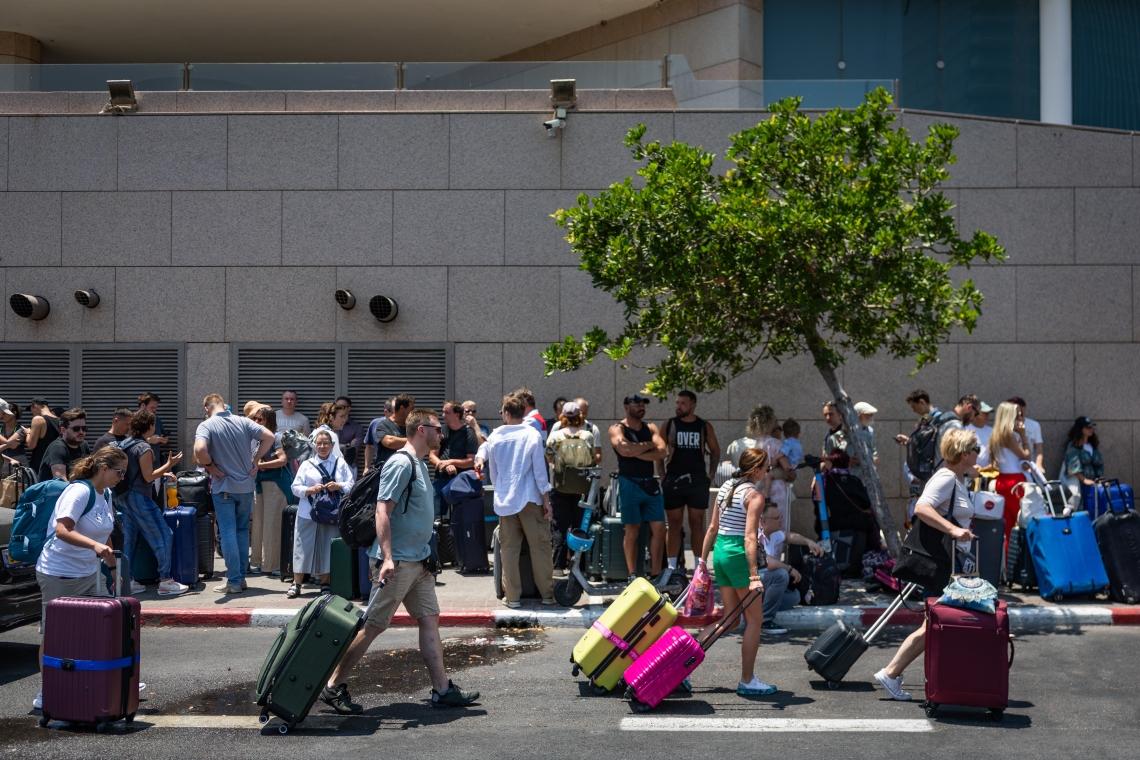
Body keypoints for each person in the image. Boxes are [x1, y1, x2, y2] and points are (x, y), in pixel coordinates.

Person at [323, 408, 479, 714]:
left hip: (419, 562)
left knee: (429, 620)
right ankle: (332, 686)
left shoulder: (420, 464)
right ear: (422, 430)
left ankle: (443, 690)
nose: (441, 433)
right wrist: (388, 558)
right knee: (372, 626)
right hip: (398, 563)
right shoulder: (401, 463)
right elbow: (382, 510)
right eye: (437, 428)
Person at [874, 429, 978, 701]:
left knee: (934, 624)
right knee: (933, 624)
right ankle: (892, 673)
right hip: (942, 563)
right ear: (964, 453)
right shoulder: (945, 478)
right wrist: (953, 531)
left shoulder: (956, 478)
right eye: (975, 449)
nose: (979, 454)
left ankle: (907, 675)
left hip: (954, 564)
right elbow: (922, 507)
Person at [32, 446, 125, 711]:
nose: (122, 477)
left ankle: (107, 677)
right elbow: (62, 530)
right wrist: (94, 548)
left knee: (107, 627)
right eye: (119, 471)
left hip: (89, 574)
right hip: (58, 572)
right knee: (55, 636)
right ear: (104, 468)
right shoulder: (78, 491)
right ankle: (47, 690)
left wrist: (112, 571)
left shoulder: (105, 493)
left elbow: (104, 534)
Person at [699, 447, 776, 695]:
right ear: (756, 470)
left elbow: (711, 528)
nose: (768, 471)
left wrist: (702, 563)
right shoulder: (754, 496)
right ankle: (747, 680)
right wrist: (754, 575)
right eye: (767, 467)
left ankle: (682, 664)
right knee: (755, 620)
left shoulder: (725, 487)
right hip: (737, 556)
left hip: (720, 553)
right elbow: (750, 537)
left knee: (730, 620)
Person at [476, 395, 554, 607]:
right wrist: (546, 499)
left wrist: (479, 461)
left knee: (508, 550)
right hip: (530, 498)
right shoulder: (532, 434)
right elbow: (540, 471)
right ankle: (547, 595)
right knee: (540, 548)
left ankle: (512, 597)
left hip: (505, 501)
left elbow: (483, 449)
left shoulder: (496, 435)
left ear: (507, 414)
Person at [194, 393, 275, 594]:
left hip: (223, 487)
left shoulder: (207, 425)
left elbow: (199, 449)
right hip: (246, 486)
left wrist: (210, 466)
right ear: (223, 405)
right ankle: (240, 579)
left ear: (207, 408)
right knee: (240, 531)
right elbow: (270, 437)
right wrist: (256, 460)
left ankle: (233, 581)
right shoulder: (242, 421)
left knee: (228, 532)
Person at [120, 410, 188, 596]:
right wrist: (169, 464)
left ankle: (127, 581)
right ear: (150, 426)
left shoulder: (126, 443)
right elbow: (148, 476)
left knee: (130, 540)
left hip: (124, 497)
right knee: (164, 534)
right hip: (140, 497)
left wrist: (162, 472)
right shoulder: (144, 448)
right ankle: (165, 581)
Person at [657, 390, 721, 581]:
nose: (678, 407)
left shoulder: (704, 426)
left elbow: (715, 451)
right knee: (674, 524)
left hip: (697, 481)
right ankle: (671, 568)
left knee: (697, 524)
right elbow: (659, 452)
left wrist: (710, 475)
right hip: (674, 480)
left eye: (683, 403)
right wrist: (662, 476)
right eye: (677, 403)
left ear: (693, 405)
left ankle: (699, 568)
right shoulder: (669, 425)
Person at [287, 429, 355, 598]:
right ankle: (297, 583)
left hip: (331, 513)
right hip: (307, 512)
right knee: (302, 546)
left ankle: (325, 582)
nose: (322, 446)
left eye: (326, 443)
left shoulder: (340, 463)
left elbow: (352, 485)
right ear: (314, 445)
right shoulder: (307, 464)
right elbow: (295, 488)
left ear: (332, 445)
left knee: (327, 547)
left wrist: (338, 486)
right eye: (319, 443)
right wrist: (310, 490)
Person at [610, 393, 667, 584]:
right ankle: (633, 574)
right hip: (629, 484)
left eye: (643, 403)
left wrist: (636, 450)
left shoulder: (650, 427)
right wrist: (648, 447)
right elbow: (624, 450)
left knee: (659, 529)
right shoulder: (617, 428)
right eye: (637, 404)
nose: (641, 406)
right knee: (632, 529)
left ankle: (656, 574)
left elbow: (661, 452)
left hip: (650, 484)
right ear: (627, 407)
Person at [758, 501, 824, 634]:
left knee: (795, 596)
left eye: (780, 516)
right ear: (763, 521)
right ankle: (764, 621)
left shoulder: (773, 533)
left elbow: (789, 536)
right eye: (776, 518)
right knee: (781, 575)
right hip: (751, 582)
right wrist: (789, 569)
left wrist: (808, 542)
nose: (780, 521)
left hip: (765, 586)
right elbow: (768, 562)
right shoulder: (754, 535)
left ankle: (757, 608)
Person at [545, 400, 595, 575]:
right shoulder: (587, 436)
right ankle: (579, 567)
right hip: (582, 488)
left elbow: (549, 457)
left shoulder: (556, 437)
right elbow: (592, 458)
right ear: (580, 416)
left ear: (562, 417)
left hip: (560, 486)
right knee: (580, 526)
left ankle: (558, 567)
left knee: (559, 526)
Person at [979, 401, 1031, 547]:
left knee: (1007, 529)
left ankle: (1007, 566)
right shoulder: (1008, 434)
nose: (1019, 419)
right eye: (1016, 415)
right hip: (1015, 482)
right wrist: (1023, 435)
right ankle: (1019, 565)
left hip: (1002, 480)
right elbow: (1026, 456)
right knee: (1021, 523)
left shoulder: (995, 434)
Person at [250, 405, 290, 577]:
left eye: (260, 419)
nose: (257, 422)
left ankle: (274, 565)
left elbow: (282, 460)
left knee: (273, 525)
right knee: (259, 524)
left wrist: (259, 465)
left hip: (276, 484)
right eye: (255, 419)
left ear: (269, 420)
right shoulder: (259, 438)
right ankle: (258, 562)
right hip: (260, 484)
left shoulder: (277, 436)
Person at [429, 401, 479, 519]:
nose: (443, 415)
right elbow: (432, 456)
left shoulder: (468, 432)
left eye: (447, 412)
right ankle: (438, 537)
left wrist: (451, 462)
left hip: (461, 481)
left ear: (457, 415)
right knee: (436, 516)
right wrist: (445, 465)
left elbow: (471, 461)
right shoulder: (440, 431)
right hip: (441, 479)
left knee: (462, 516)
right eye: (443, 412)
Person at [38, 409, 91, 482]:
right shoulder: (58, 448)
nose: (81, 432)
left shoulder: (84, 445)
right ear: (63, 430)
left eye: (84, 428)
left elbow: (91, 474)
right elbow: (61, 482)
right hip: (55, 492)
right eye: (76, 429)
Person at [364, 394, 413, 472]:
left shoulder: (411, 426)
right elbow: (389, 442)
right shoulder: (383, 424)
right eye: (411, 409)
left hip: (407, 471)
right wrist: (413, 440)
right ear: (402, 408)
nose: (412, 412)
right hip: (386, 471)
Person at [1061, 417, 1104, 505]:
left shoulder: (1092, 445)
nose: (1090, 430)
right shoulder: (1073, 445)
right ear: (1080, 429)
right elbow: (1073, 463)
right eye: (1087, 428)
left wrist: (1100, 478)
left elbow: (1099, 464)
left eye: (1091, 427)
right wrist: (1083, 479)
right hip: (1079, 483)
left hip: (1092, 483)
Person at [549, 397, 603, 465]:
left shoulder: (591, 429)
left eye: (585, 412)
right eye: (580, 412)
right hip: (562, 472)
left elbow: (598, 455)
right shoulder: (558, 426)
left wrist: (585, 464)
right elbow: (549, 453)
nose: (582, 415)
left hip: (584, 472)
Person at [25, 397, 61, 476]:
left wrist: (28, 433)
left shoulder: (38, 419)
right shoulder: (59, 420)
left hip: (41, 465)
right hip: (56, 464)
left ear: (35, 406)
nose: (33, 414)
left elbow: (31, 445)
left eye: (32, 411)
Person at [1008, 396, 1044, 471]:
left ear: (1023, 409)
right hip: (1012, 467)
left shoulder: (1034, 425)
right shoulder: (1005, 428)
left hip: (1030, 467)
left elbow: (1039, 448)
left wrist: (1038, 464)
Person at [335, 396, 365, 473]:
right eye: (337, 406)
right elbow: (326, 448)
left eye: (342, 406)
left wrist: (335, 445)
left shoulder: (357, 428)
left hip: (350, 466)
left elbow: (354, 449)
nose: (339, 409)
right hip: (332, 465)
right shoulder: (330, 426)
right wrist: (347, 445)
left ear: (349, 408)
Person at [0, 400, 28, 467]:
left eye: (5, 413)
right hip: (3, 459)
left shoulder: (21, 428)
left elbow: (10, 443)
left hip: (18, 460)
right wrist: (8, 444)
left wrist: (7, 444)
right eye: (1, 413)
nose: (2, 416)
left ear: (14, 413)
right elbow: (9, 443)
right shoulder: (1, 428)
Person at [853, 401, 880, 467]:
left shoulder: (870, 430)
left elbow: (874, 454)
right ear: (859, 416)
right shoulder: (849, 431)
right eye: (868, 413)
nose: (871, 416)